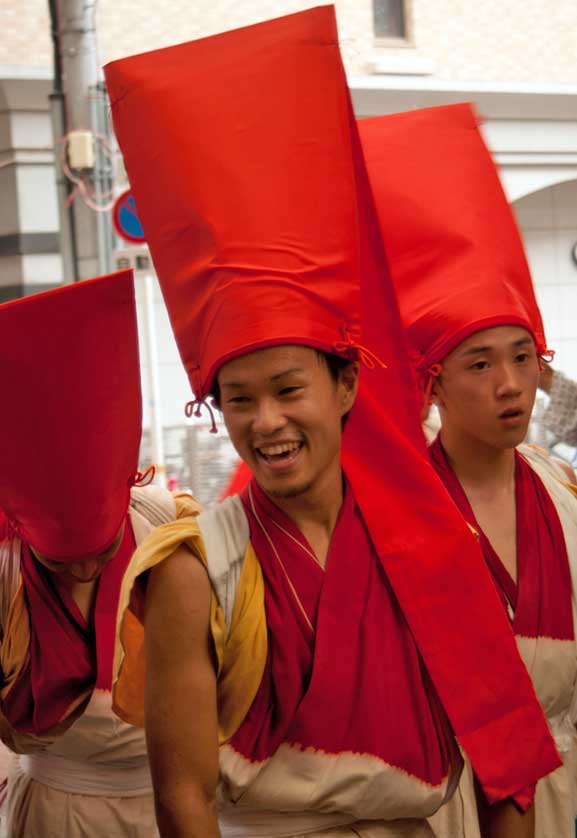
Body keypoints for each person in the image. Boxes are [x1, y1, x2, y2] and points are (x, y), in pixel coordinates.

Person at [106, 8, 559, 838]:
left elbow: (508, 772)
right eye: (237, 400)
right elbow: (181, 803)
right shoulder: (190, 569)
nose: (265, 422)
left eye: (288, 389)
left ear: (347, 382)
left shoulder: (427, 540)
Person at [360, 102, 577, 838]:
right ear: (433, 382)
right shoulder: (399, 514)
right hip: (452, 800)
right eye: (479, 364)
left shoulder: (562, 494)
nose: (509, 384)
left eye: (522, 358)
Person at [0, 270, 199, 837]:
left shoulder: (165, 521)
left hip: (166, 797)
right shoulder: (5, 565)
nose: (86, 569)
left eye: (102, 552)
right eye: (64, 563)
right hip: (55, 809)